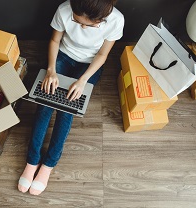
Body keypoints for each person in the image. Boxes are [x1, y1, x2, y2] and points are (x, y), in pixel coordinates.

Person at [18, 0, 124, 195]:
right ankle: (32, 160)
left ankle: (48, 164)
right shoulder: (65, 9)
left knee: (67, 109)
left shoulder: (117, 20)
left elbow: (102, 54)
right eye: (77, 22)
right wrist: (50, 70)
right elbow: (54, 41)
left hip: (89, 65)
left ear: (101, 19)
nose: (82, 27)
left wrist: (83, 80)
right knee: (45, 103)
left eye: (88, 25)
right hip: (63, 56)